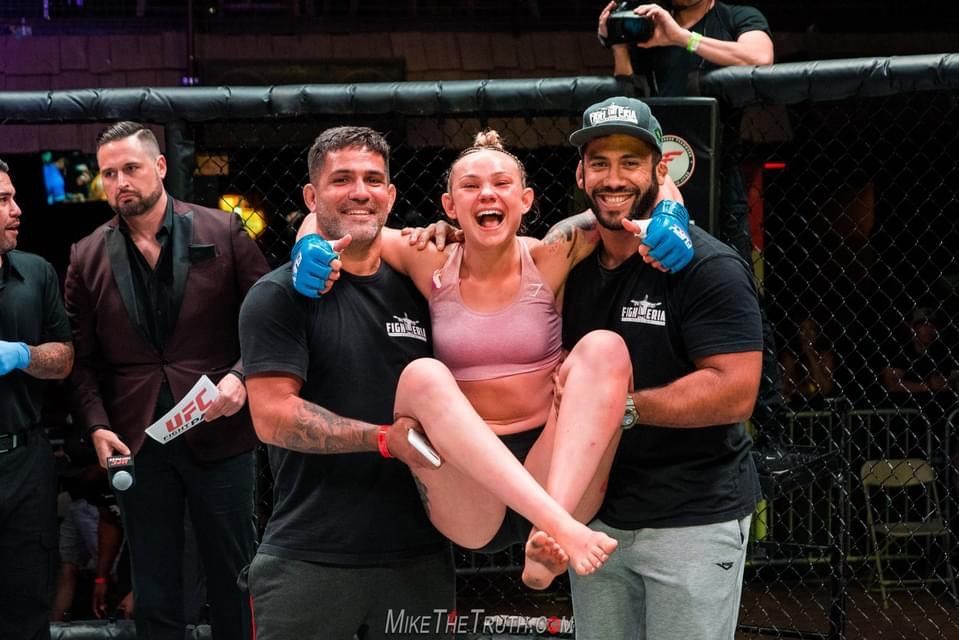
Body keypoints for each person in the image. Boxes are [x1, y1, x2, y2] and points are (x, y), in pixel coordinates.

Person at [292, 124, 694, 592]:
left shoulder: (551, 255)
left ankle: (551, 535)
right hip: (470, 488)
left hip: (556, 474)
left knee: (604, 347)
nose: (488, 194)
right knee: (422, 375)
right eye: (471, 186)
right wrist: (308, 244)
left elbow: (625, 196)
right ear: (449, 206)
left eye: (502, 185)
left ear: (524, 201)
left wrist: (671, 211)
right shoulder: (428, 258)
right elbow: (342, 220)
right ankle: (558, 527)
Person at [556, 96, 763, 639]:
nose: (613, 177)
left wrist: (615, 411)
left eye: (630, 162)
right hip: (597, 518)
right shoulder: (568, 265)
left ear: (659, 169)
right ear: (581, 174)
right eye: (599, 163)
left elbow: (736, 391)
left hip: (691, 514)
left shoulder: (707, 264)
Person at [238, 126, 456, 640]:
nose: (361, 191)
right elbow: (272, 417)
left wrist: (457, 234)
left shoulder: (426, 285)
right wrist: (384, 439)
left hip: (419, 552)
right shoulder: (278, 295)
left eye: (373, 179)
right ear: (313, 197)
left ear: (391, 194)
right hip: (309, 557)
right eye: (342, 179)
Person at [64, 122, 268, 640]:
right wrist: (95, 426)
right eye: (109, 173)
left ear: (159, 167)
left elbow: (270, 321)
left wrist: (242, 377)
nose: (119, 182)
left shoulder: (222, 229)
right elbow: (81, 360)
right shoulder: (86, 255)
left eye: (130, 168)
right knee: (154, 585)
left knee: (233, 573)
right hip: (138, 440)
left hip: (219, 429)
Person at [0, 158, 75, 640]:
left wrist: (23, 354)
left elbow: (65, 358)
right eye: (3, 201)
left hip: (24, 458)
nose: (17, 210)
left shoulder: (36, 271)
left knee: (28, 603)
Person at [880, 306, 958, 395]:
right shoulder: (899, 350)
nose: (929, 330)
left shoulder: (940, 351)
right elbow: (892, 384)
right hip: (907, 406)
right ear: (912, 328)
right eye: (923, 325)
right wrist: (928, 386)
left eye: (932, 326)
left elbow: (952, 375)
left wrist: (949, 382)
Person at [780, 316, 839, 408]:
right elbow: (786, 388)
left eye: (811, 329)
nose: (807, 334)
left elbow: (825, 388)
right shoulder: (790, 356)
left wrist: (811, 355)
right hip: (797, 403)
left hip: (821, 404)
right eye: (802, 330)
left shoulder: (825, 356)